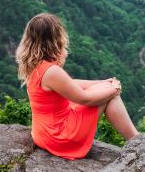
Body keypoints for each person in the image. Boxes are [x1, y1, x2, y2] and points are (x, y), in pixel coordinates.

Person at [15, 12, 138, 160]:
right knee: (110, 97)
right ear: (55, 38)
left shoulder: (35, 65)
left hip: (43, 133)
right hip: (59, 137)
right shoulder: (51, 71)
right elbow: (85, 99)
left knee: (103, 90)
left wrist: (103, 83)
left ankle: (136, 139)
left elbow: (70, 84)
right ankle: (137, 141)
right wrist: (114, 89)